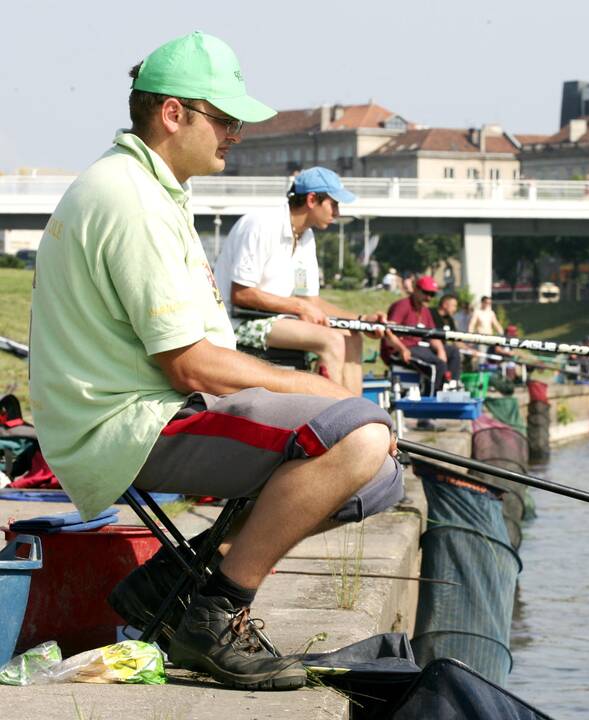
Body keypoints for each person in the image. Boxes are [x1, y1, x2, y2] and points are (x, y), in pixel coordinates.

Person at [28, 32, 402, 691]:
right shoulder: (130, 199)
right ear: (173, 114)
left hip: (163, 409)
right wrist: (308, 387)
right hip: (127, 425)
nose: (235, 134)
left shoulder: (154, 189)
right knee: (360, 432)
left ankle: (175, 582)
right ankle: (214, 614)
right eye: (224, 119)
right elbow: (191, 366)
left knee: (381, 481)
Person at [214, 166, 385, 394]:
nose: (337, 212)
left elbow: (309, 300)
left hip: (274, 319)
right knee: (332, 340)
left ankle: (358, 420)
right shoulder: (262, 224)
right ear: (312, 199)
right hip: (235, 323)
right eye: (333, 204)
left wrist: (362, 320)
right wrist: (298, 305)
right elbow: (241, 295)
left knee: (352, 337)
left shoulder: (306, 236)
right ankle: (332, 424)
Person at [381, 276, 460, 390]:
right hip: (399, 349)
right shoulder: (402, 305)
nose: (428, 297)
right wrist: (402, 349)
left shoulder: (425, 311)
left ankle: (452, 386)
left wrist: (441, 350)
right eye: (426, 293)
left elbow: (432, 335)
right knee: (438, 364)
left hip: (418, 348)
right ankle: (435, 398)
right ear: (416, 289)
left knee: (452, 352)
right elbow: (388, 331)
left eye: (432, 294)